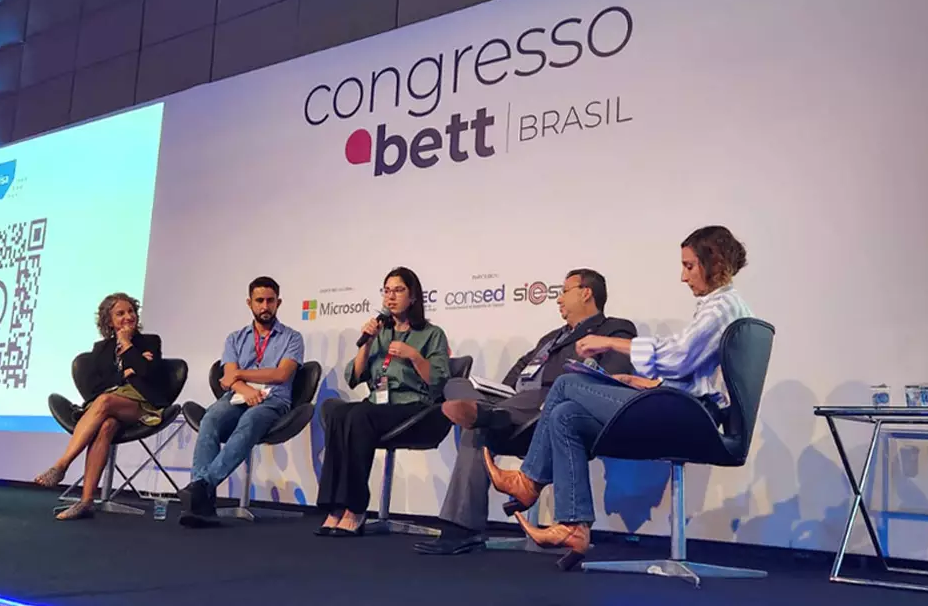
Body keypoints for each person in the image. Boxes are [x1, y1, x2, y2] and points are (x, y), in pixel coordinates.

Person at [483, 225, 753, 569]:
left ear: (712, 263)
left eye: (689, 266)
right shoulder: (722, 305)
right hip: (681, 404)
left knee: (566, 385)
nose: (683, 277)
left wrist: (609, 342)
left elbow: (679, 355)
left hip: (690, 416)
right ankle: (573, 525)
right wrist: (648, 383)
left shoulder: (721, 306)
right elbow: (693, 369)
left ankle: (528, 480)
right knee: (565, 415)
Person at [413, 269, 638, 555]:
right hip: (516, 404)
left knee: (484, 421)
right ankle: (487, 415)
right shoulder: (551, 337)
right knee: (460, 388)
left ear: (586, 292)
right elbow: (519, 370)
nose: (558, 299)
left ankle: (462, 525)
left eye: (564, 291)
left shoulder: (614, 329)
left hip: (555, 406)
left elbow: (611, 380)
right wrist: (497, 392)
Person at [316, 266, 451, 536]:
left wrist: (414, 355)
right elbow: (354, 377)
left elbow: (438, 382)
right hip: (379, 403)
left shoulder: (431, 334)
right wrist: (366, 344)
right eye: (387, 291)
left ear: (413, 297)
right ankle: (334, 507)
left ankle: (355, 508)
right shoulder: (381, 331)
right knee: (339, 414)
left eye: (398, 290)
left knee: (358, 416)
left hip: (414, 408)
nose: (391, 297)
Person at [179, 276, 305, 527]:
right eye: (259, 300)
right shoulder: (235, 338)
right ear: (249, 303)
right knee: (211, 418)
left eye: (270, 301)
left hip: (273, 400)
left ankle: (201, 488)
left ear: (278, 302)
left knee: (250, 421)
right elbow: (228, 376)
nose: (265, 306)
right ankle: (203, 501)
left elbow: (280, 375)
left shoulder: (292, 337)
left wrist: (240, 376)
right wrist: (244, 388)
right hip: (237, 395)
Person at [34, 293, 168, 521]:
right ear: (109, 321)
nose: (128, 317)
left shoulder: (150, 342)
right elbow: (95, 386)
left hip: (142, 405)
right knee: (106, 425)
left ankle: (62, 464)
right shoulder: (101, 350)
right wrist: (129, 369)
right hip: (108, 405)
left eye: (131, 311)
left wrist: (127, 346)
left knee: (105, 403)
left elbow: (147, 375)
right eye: (120, 313)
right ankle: (86, 501)